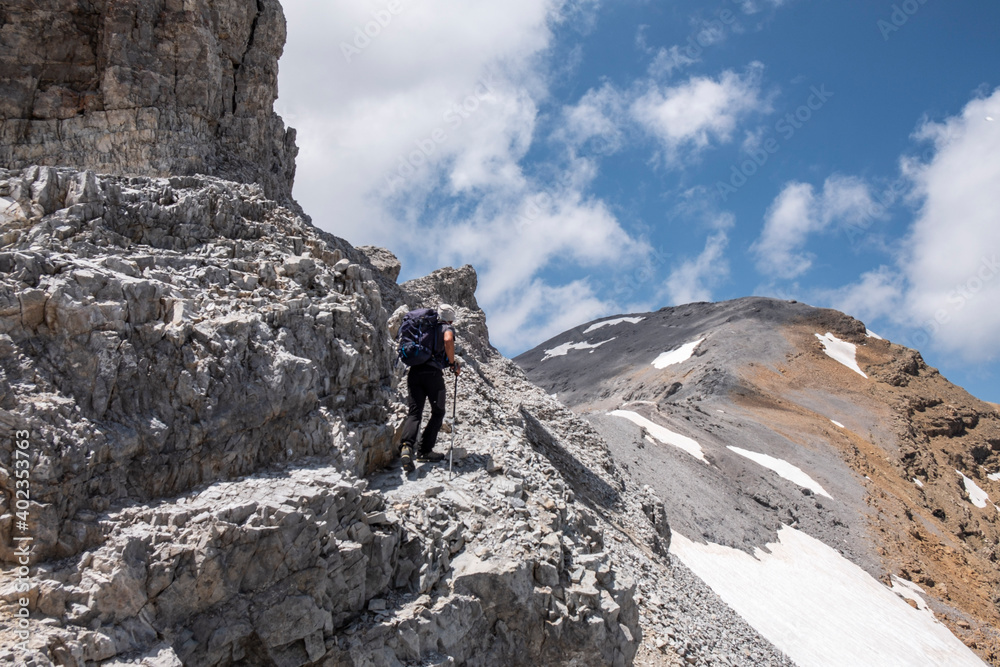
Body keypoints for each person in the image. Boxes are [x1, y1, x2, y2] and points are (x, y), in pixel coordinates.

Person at [400, 304, 460, 473]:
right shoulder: (445, 327)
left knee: (415, 412)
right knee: (438, 412)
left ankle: (406, 447)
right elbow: (448, 340)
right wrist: (451, 362)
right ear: (450, 318)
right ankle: (425, 451)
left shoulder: (423, 326)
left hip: (414, 372)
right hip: (432, 375)